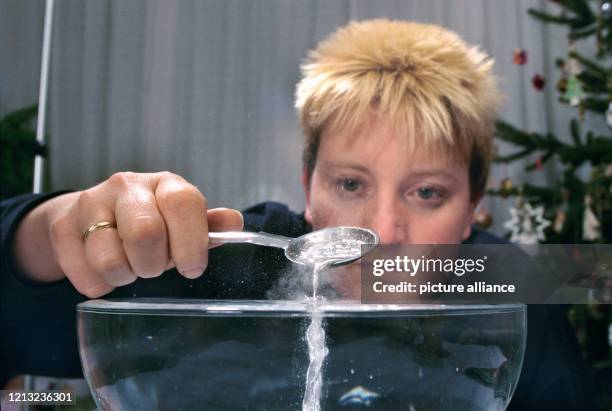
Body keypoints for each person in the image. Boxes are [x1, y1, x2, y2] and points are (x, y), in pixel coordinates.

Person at [1, 19, 595, 410]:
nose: (383, 234)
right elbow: (30, 312)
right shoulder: (238, 261)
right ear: (308, 189)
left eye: (428, 194)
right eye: (350, 182)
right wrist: (55, 229)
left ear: (473, 212)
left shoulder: (500, 281)